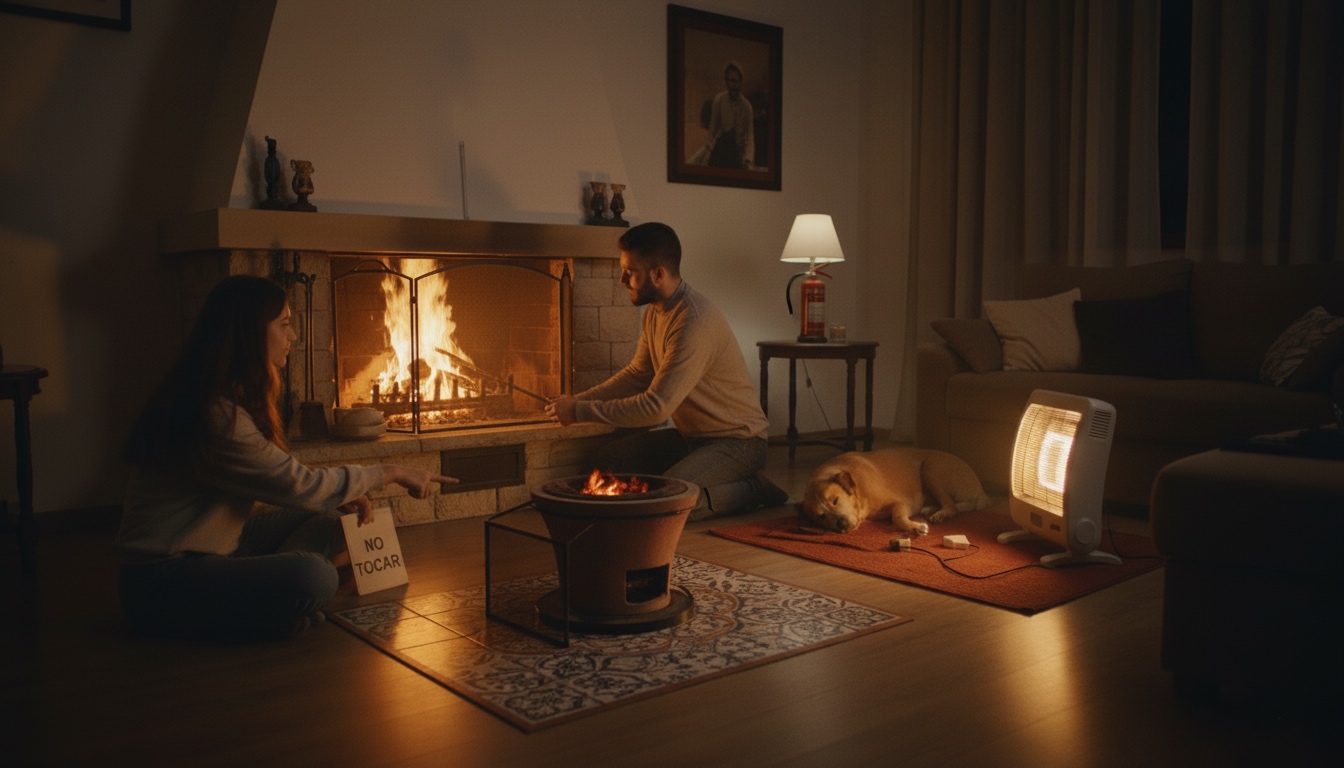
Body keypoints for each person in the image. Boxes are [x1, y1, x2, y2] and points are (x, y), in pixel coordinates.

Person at [116, 275, 457, 640]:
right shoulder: (214, 414)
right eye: (284, 324)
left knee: (329, 518)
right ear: (250, 334)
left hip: (217, 548)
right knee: (315, 576)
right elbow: (301, 486)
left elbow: (285, 479)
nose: (292, 336)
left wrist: (340, 493)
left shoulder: (215, 395)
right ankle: (262, 606)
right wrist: (391, 471)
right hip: (163, 579)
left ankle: (262, 605)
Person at [546, 222, 787, 519]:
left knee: (664, 504)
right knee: (610, 461)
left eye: (630, 271)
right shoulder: (655, 311)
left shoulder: (693, 321)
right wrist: (575, 401)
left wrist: (581, 412)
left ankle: (749, 489)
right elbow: (637, 375)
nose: (622, 279)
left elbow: (656, 408)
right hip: (692, 439)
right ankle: (701, 480)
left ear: (658, 274)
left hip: (739, 442)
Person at [692, 61, 755, 169]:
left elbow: (749, 136)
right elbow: (713, 130)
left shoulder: (747, 107)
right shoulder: (719, 100)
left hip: (737, 154)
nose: (732, 85)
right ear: (726, 81)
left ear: (740, 82)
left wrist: (748, 160)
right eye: (729, 81)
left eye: (735, 81)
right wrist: (708, 151)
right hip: (720, 149)